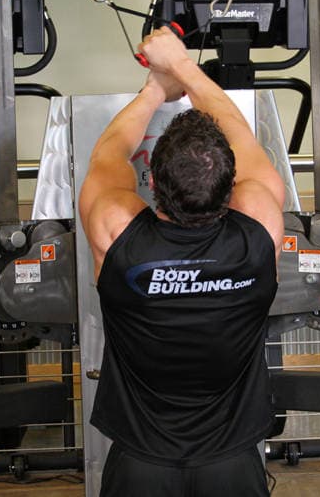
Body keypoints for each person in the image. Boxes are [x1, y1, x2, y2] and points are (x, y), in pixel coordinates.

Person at [78, 27, 285, 497]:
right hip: (231, 463)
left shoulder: (116, 231)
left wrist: (156, 88)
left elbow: (109, 153)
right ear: (230, 185)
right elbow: (241, 135)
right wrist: (184, 67)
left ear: (151, 180)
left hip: (141, 464)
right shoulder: (259, 227)